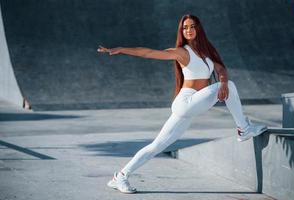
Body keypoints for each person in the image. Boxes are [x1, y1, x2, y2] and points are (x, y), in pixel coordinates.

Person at [97, 14, 267, 194]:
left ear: (198, 28)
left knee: (156, 146)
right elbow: (149, 52)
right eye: (185, 28)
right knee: (230, 87)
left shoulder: (206, 51)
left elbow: (220, 69)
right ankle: (243, 129)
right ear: (182, 31)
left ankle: (120, 176)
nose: (189, 30)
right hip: (185, 102)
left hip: (195, 103)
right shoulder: (182, 52)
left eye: (192, 26)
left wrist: (223, 81)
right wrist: (122, 49)